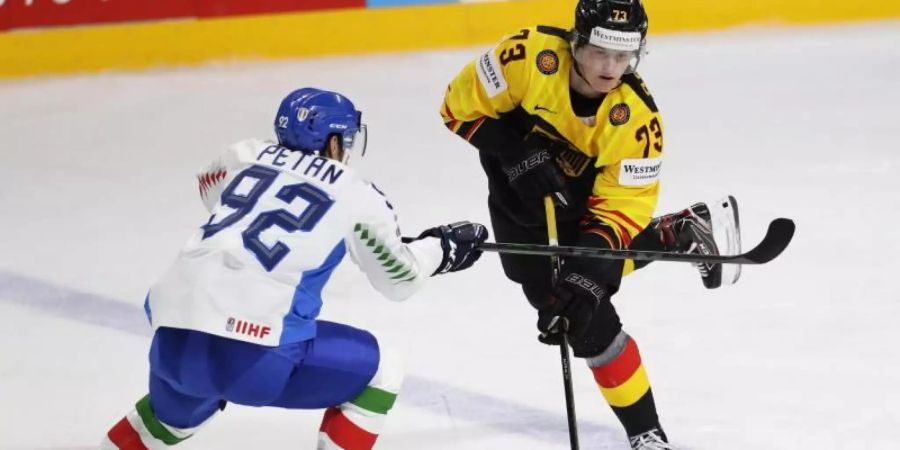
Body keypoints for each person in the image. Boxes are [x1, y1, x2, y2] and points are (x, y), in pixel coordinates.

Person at [101, 87, 489, 450]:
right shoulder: (357, 195)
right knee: (382, 370)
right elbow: (399, 280)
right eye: (347, 140)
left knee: (175, 414)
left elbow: (208, 188)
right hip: (253, 358)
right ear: (333, 142)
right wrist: (442, 249)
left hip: (171, 341)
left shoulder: (242, 156)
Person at [440, 0, 740, 448]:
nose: (610, 67)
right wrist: (515, 151)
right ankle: (675, 235)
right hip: (514, 193)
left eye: (624, 56)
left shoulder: (636, 120)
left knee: (578, 311)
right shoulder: (525, 57)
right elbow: (457, 108)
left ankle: (646, 432)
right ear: (575, 43)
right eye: (601, 52)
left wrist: (590, 275)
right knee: (527, 272)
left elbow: (619, 208)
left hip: (587, 202)